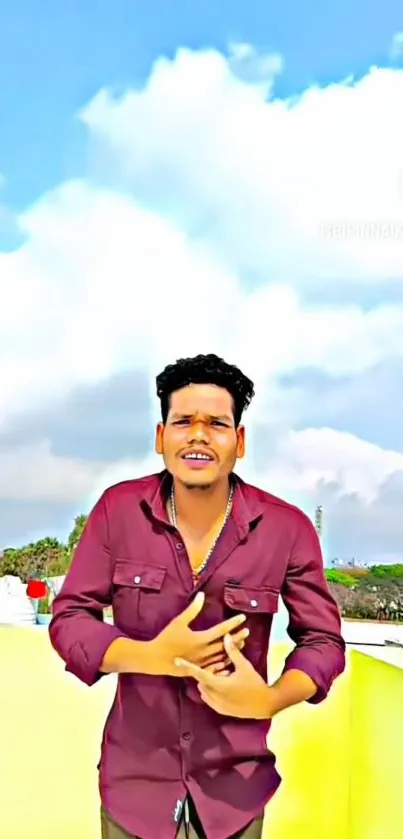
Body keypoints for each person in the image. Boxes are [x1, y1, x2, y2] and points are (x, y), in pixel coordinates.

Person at [49, 353, 346, 839]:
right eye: (184, 421)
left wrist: (269, 700)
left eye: (217, 423)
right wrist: (149, 656)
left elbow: (324, 642)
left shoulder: (287, 528)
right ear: (161, 436)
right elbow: (70, 619)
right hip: (134, 787)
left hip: (235, 790)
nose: (200, 435)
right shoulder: (117, 510)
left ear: (240, 441)